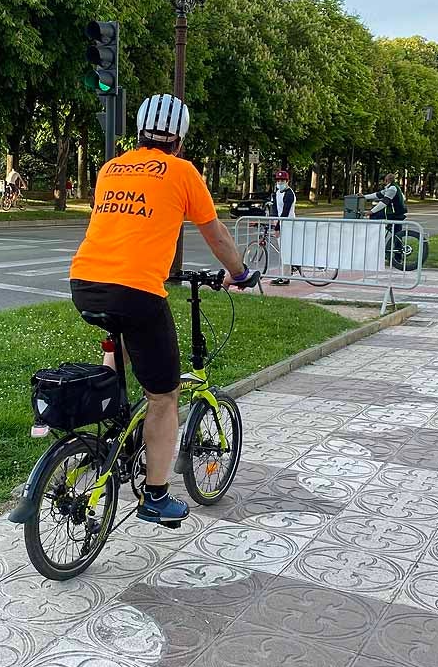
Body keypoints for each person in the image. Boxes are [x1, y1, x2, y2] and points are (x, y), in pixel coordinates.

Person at [69, 94, 259, 525]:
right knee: (164, 395)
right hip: (135, 291)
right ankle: (155, 496)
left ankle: (112, 425)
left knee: (118, 342)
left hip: (85, 283)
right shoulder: (183, 172)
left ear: (139, 133)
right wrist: (240, 272)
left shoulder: (110, 168)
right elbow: (216, 236)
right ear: (180, 139)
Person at [267, 170, 298, 285]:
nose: (280, 182)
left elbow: (285, 213)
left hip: (288, 224)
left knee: (285, 252)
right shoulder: (276, 193)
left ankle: (285, 278)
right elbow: (275, 208)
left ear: (287, 181)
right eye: (278, 180)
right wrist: (274, 221)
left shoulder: (289, 194)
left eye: (282, 181)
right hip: (280, 223)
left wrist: (277, 228)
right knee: (285, 251)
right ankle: (291, 267)